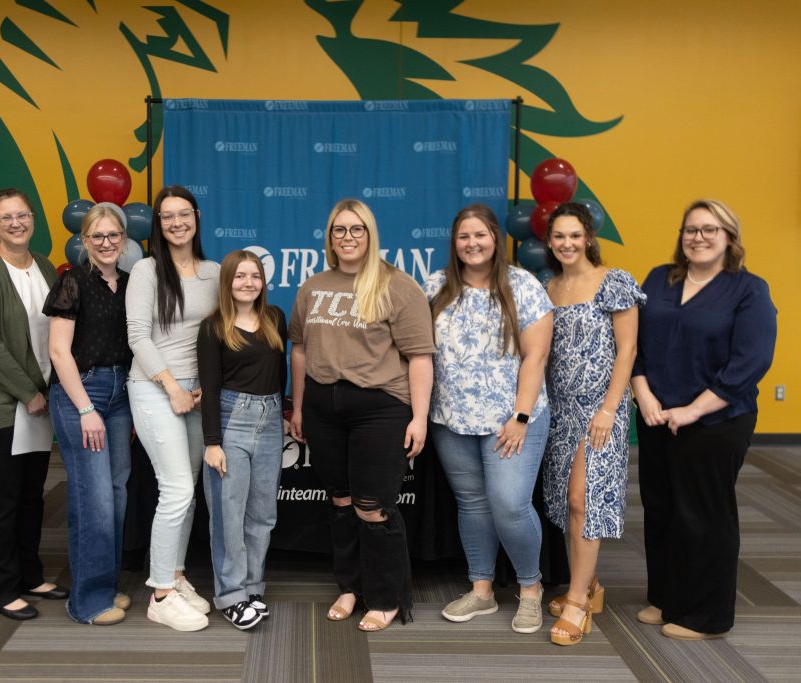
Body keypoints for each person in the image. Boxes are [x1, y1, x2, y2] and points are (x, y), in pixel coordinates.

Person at [631, 199, 776, 640]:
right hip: (656, 416)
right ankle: (668, 598)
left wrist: (692, 409)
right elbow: (631, 341)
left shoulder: (749, 290)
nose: (698, 237)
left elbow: (751, 361)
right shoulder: (659, 278)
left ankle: (705, 615)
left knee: (703, 515)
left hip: (715, 421)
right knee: (661, 510)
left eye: (710, 229)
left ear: (730, 237)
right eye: (691, 229)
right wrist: (643, 394)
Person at [288, 198, 434, 632]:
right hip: (321, 406)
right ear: (329, 237)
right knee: (341, 500)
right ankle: (350, 587)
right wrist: (297, 405)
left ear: (370, 235)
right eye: (339, 230)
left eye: (356, 230)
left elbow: (420, 357)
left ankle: (387, 596)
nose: (347, 237)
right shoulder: (312, 286)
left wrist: (419, 417)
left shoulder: (397, 285)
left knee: (373, 507)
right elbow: (299, 349)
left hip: (381, 409)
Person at [424, 204, 553, 635]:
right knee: (473, 504)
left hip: (513, 420)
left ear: (496, 238)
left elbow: (536, 357)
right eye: (464, 236)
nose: (472, 243)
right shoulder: (437, 286)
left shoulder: (523, 285)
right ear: (454, 243)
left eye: (480, 235)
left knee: (511, 505)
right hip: (451, 420)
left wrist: (520, 416)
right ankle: (481, 590)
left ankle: (530, 589)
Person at [540, 202, 645, 646]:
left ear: (588, 238)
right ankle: (591, 585)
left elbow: (628, 351)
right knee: (567, 501)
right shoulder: (548, 288)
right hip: (559, 409)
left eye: (574, 235)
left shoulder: (613, 281)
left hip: (602, 409)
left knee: (585, 498)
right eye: (559, 236)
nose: (567, 243)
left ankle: (579, 601)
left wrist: (608, 409)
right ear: (550, 242)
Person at [0, 188, 63, 621]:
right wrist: (29, 393)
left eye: (23, 215)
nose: (16, 223)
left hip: (40, 399)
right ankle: (2, 590)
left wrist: (49, 391)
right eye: (7, 217)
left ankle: (30, 574)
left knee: (32, 495)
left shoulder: (44, 266)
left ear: (33, 218)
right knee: (1, 501)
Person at [126, 185, 219, 632]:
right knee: (177, 488)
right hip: (153, 386)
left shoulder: (215, 272)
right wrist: (172, 388)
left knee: (190, 489)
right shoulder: (146, 270)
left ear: (197, 217)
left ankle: (177, 576)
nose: (176, 222)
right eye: (167, 216)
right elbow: (138, 337)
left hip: (198, 392)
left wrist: (204, 387)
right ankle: (160, 594)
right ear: (158, 224)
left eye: (184, 214)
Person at [45, 204, 134, 626]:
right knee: (93, 498)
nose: (106, 243)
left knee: (116, 495)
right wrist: (85, 409)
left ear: (125, 239)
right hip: (82, 392)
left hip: (122, 394)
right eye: (97, 236)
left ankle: (107, 583)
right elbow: (58, 351)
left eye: (113, 235)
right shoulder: (73, 282)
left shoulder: (133, 284)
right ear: (84, 241)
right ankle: (87, 600)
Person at [197, 250, 287, 630]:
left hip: (270, 421)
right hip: (231, 421)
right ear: (227, 282)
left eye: (255, 276)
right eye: (239, 277)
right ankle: (231, 595)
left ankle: (252, 587)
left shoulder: (275, 318)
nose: (248, 283)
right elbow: (211, 387)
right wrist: (212, 442)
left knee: (262, 514)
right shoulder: (213, 327)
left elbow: (279, 372)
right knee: (228, 516)